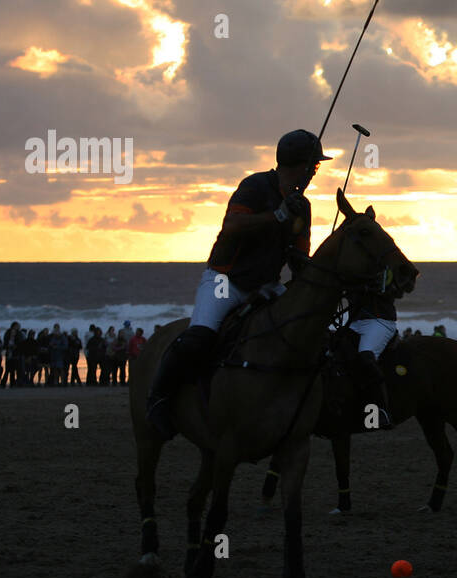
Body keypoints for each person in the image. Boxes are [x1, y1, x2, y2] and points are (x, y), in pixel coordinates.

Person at [146, 129, 326, 439]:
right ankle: (158, 399)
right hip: (225, 281)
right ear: (296, 164)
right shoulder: (255, 187)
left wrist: (311, 273)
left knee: (302, 331)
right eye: (312, 165)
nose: (314, 171)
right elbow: (231, 225)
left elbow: (298, 254)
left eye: (316, 167)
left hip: (265, 286)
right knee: (199, 338)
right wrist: (276, 216)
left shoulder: (302, 205)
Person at [344, 275, 400, 430]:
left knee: (366, 356)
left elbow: (403, 287)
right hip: (354, 322)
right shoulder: (349, 266)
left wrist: (371, 287)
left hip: (379, 321)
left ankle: (381, 410)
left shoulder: (386, 266)